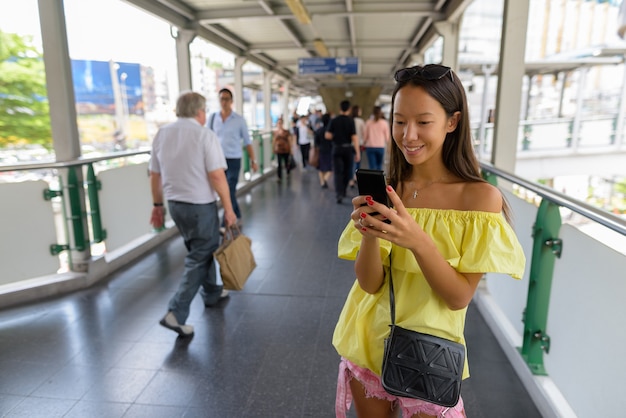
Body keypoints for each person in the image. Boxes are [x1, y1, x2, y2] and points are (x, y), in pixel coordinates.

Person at [332, 64, 526, 417]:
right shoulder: (394, 188)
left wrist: (418, 241)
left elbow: (457, 298)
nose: (408, 135)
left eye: (423, 122)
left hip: (429, 356)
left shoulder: (479, 199)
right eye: (399, 121)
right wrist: (370, 233)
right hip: (368, 338)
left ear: (452, 122)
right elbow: (370, 284)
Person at [149, 91, 237, 338]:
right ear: (199, 112)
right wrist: (229, 210)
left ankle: (211, 292)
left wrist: (157, 205)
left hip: (176, 205)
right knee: (200, 255)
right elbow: (217, 176)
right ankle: (176, 312)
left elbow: (154, 174)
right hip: (200, 206)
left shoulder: (161, 134)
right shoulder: (204, 135)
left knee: (201, 249)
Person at [208, 88, 258, 224]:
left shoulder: (239, 120)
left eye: (226, 99)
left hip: (234, 159)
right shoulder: (212, 118)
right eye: (221, 99)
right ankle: (236, 214)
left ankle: (227, 221)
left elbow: (247, 142)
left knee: (229, 189)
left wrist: (253, 160)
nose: (224, 102)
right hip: (217, 160)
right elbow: (206, 139)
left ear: (231, 101)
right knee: (223, 190)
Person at [325, 100, 360, 204]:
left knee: (337, 172)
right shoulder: (351, 121)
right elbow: (354, 137)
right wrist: (357, 152)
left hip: (336, 148)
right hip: (348, 149)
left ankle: (339, 194)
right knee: (347, 171)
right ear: (349, 109)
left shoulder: (334, 120)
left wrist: (336, 136)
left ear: (340, 108)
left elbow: (327, 135)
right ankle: (344, 191)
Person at [363, 105, 390, 171]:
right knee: (379, 165)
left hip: (370, 146)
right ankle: (378, 180)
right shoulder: (384, 123)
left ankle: (372, 180)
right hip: (380, 147)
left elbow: (365, 136)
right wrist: (389, 147)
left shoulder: (368, 122)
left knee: (372, 166)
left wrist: (364, 143)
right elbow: (387, 137)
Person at [314, 112, 333, 188]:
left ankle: (322, 182)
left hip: (321, 151)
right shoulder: (331, 132)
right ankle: (325, 180)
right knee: (330, 168)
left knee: (321, 167)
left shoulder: (319, 130)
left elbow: (316, 142)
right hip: (330, 151)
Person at [349, 105, 366, 188]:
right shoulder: (361, 121)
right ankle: (355, 177)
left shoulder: (349, 120)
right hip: (359, 143)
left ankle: (350, 179)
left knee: (350, 162)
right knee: (357, 162)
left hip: (350, 144)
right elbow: (364, 133)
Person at [272, 117, 293, 182]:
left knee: (286, 162)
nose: (279, 124)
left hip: (286, 149)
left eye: (280, 123)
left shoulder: (286, 132)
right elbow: (274, 141)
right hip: (279, 149)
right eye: (278, 123)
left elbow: (289, 140)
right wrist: (273, 148)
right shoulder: (276, 132)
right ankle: (279, 176)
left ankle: (288, 172)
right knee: (279, 163)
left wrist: (291, 149)